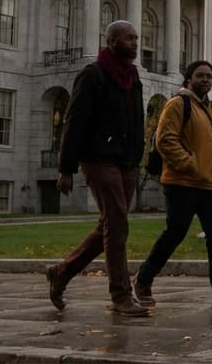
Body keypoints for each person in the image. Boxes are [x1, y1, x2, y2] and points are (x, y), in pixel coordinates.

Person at [44, 21, 151, 317]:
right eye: (129, 38)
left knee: (110, 223)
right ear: (111, 41)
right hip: (98, 159)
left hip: (126, 161)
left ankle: (62, 272)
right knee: (117, 223)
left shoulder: (133, 76)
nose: (135, 43)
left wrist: (137, 154)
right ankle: (121, 294)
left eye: (136, 38)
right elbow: (74, 121)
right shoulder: (93, 74)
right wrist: (66, 167)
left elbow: (137, 119)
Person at [133, 60, 212, 306]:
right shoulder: (178, 104)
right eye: (200, 75)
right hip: (182, 183)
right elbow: (165, 140)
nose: (205, 80)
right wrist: (190, 164)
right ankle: (143, 280)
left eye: (209, 76)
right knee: (175, 233)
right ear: (189, 79)